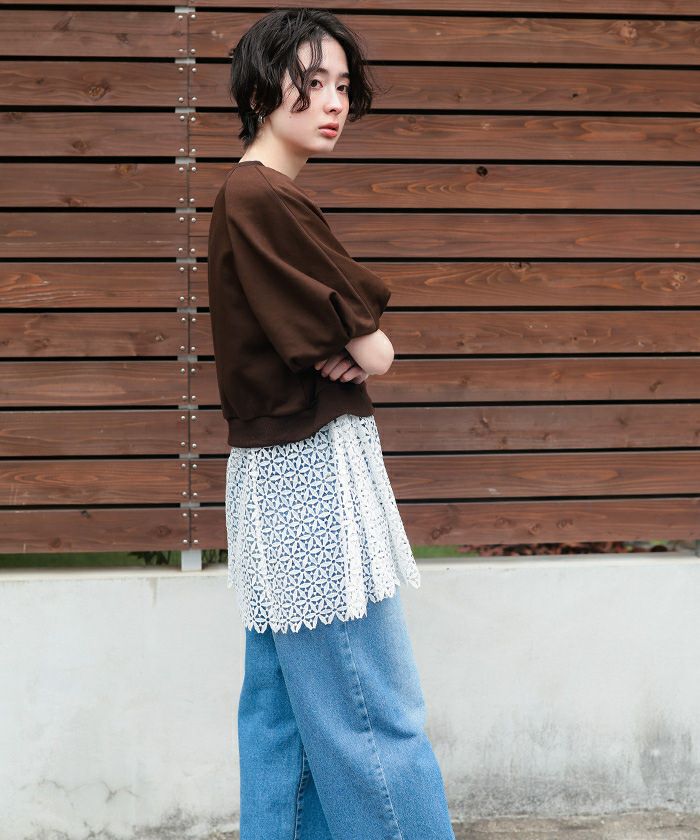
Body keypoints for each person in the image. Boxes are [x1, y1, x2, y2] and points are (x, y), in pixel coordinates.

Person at [207, 8, 456, 839]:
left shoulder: (254, 195)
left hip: (279, 478)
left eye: (343, 85)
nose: (333, 102)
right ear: (261, 89)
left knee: (284, 720)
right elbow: (373, 348)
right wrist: (368, 346)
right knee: (372, 715)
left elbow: (350, 339)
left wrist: (359, 345)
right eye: (311, 83)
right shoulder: (262, 196)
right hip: (310, 481)